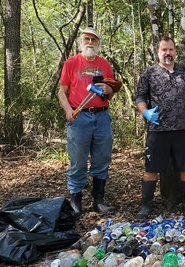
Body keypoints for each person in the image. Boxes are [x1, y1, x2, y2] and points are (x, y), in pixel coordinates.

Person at [134, 36, 185, 220]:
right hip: (157, 131)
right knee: (151, 170)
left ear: (175, 51)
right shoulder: (149, 73)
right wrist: (145, 112)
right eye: (164, 50)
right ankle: (145, 206)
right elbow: (140, 97)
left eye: (171, 49)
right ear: (158, 52)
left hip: (182, 130)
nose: (168, 53)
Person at [57, 27, 122, 216]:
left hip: (101, 116)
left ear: (98, 43)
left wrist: (108, 90)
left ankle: (98, 200)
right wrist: (68, 110)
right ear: (81, 41)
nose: (90, 43)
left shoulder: (104, 64)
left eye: (94, 40)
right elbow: (62, 92)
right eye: (87, 39)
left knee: (102, 159)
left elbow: (110, 92)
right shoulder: (71, 63)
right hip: (79, 117)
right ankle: (76, 201)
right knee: (77, 161)